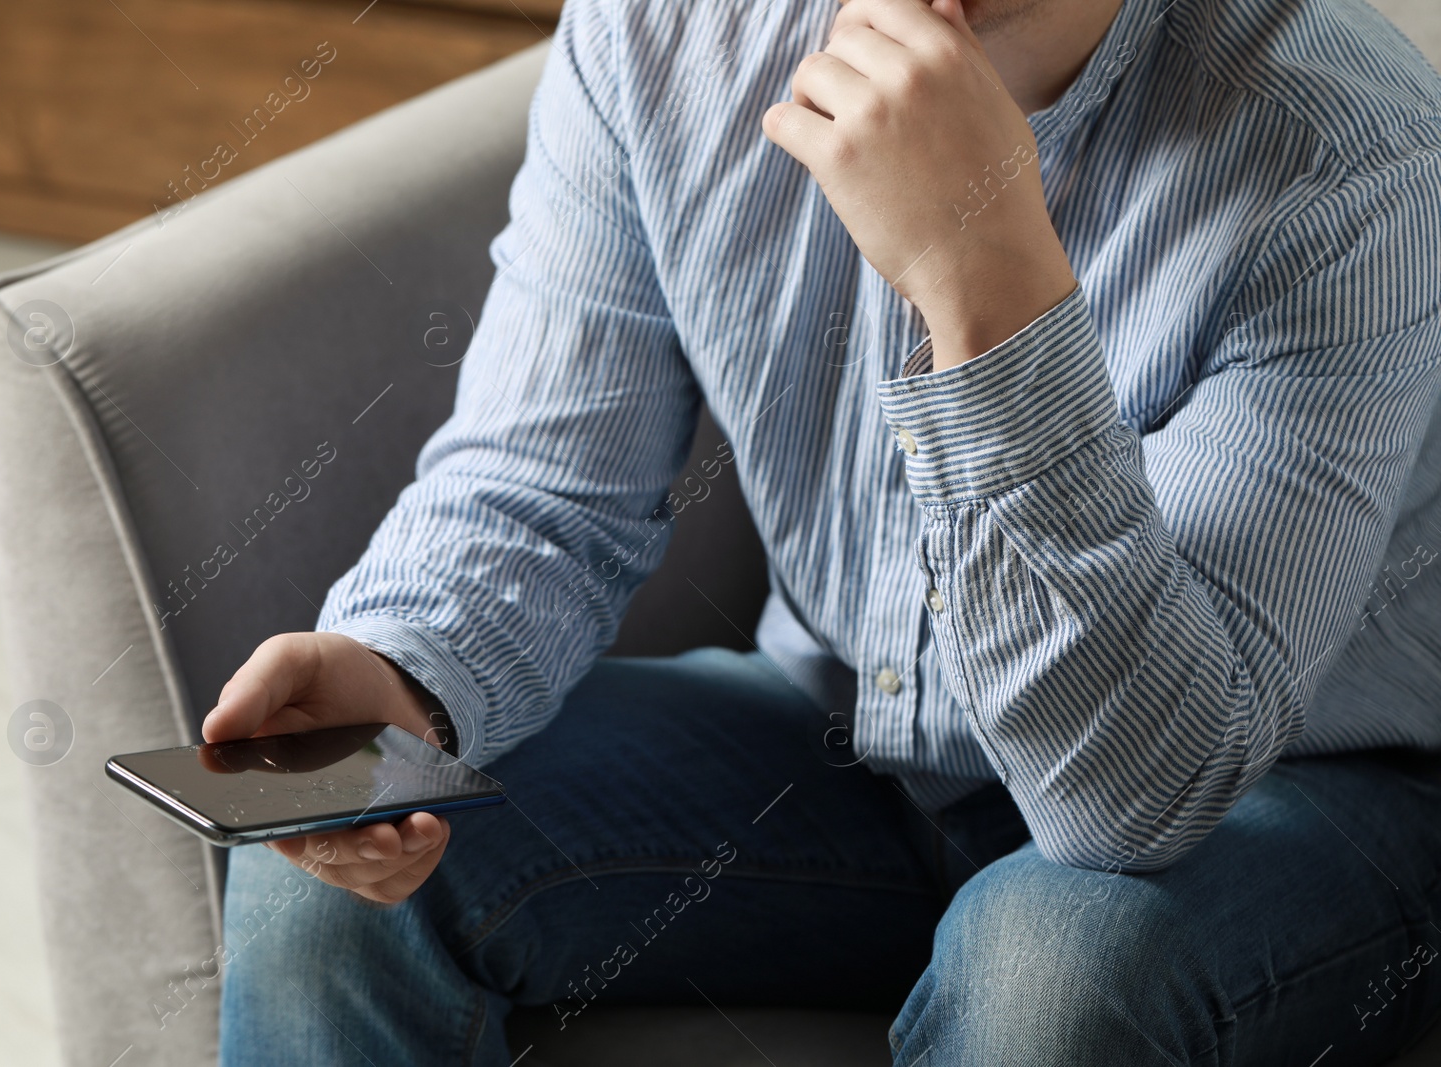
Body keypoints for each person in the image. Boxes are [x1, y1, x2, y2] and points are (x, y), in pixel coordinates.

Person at [207, 0, 1441, 1060]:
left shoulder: (1352, 160)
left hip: (1288, 793)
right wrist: (403, 672)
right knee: (321, 849)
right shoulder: (661, 32)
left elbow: (1138, 795)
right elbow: (543, 482)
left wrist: (984, 277)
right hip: (854, 732)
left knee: (1051, 963)